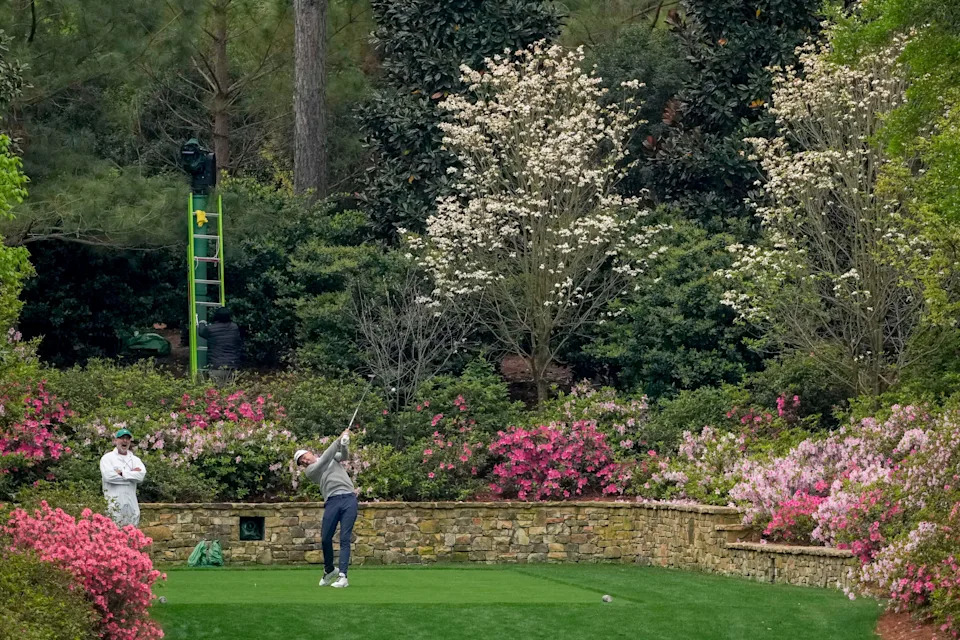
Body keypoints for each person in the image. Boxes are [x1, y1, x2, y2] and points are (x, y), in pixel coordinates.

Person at [295, 428, 356, 588]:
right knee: (325, 538)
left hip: (349, 498)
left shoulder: (330, 458)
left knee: (344, 538)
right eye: (301, 462)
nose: (305, 461)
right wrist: (338, 439)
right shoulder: (311, 471)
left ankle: (343, 576)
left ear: (309, 452)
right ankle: (329, 570)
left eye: (304, 457)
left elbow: (343, 456)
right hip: (332, 501)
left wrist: (344, 443)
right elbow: (324, 460)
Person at [100, 427, 147, 527]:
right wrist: (131, 475)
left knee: (132, 536)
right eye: (122, 438)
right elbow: (108, 476)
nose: (125, 441)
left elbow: (140, 476)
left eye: (127, 438)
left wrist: (122, 473)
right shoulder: (107, 458)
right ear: (116, 440)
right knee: (113, 535)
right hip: (114, 505)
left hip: (132, 505)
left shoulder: (135, 460)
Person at [198, 306, 242, 385]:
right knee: (231, 394)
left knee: (217, 394)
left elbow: (201, 332)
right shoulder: (234, 327)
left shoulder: (210, 329)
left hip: (216, 367)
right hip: (232, 366)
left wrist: (201, 323)